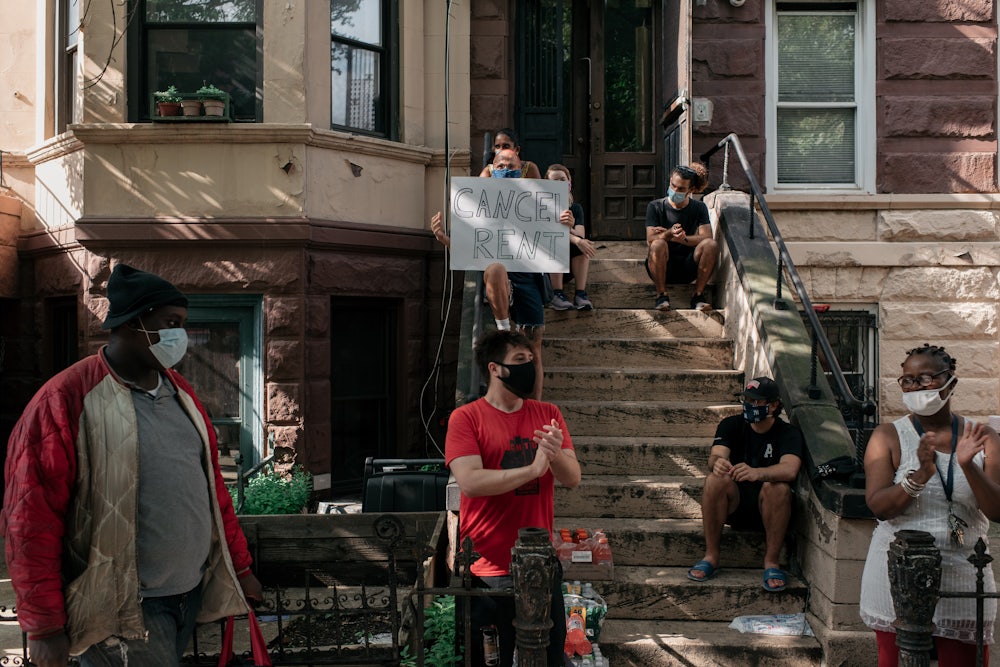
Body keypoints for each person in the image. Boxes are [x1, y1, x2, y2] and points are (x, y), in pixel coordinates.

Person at [2, 264, 264, 667]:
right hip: (120, 609)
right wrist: (43, 627)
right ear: (131, 323)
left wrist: (240, 568)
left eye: (183, 324)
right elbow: (30, 519)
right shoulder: (65, 398)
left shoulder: (182, 393)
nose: (180, 336)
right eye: (171, 323)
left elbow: (211, 491)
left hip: (187, 597)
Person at [445, 329, 581, 666]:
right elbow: (471, 482)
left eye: (531, 360)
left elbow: (572, 478)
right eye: (520, 360)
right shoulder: (466, 418)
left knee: (548, 657)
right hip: (487, 567)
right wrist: (532, 470)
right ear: (494, 368)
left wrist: (554, 453)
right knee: (491, 659)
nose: (529, 367)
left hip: (540, 563)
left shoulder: (547, 413)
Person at [860, 344, 999, 666]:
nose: (914, 387)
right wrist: (920, 475)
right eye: (907, 380)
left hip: (965, 569)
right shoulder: (888, 435)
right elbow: (879, 506)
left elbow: (997, 511)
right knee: (896, 660)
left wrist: (968, 465)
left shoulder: (985, 437)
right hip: (899, 572)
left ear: (950, 381)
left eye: (924, 378)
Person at [430, 149, 575, 399]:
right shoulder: (480, 204)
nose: (506, 167)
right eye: (500, 163)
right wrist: (444, 239)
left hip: (528, 277)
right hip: (499, 279)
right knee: (495, 269)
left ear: (521, 169)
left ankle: (535, 407)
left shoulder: (537, 201)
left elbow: (552, 237)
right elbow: (470, 249)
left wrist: (565, 225)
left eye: (511, 163)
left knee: (534, 348)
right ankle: (504, 327)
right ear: (492, 167)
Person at [687, 377, 803, 592]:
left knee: (777, 486)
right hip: (734, 505)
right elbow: (715, 457)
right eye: (747, 399)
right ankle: (711, 556)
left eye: (756, 401)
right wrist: (718, 463)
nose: (750, 405)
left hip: (770, 508)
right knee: (714, 479)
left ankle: (771, 562)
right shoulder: (731, 425)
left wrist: (757, 473)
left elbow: (790, 469)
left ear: (774, 405)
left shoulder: (788, 433)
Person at [645, 164, 719, 312]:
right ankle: (661, 295)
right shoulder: (655, 206)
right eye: (673, 186)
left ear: (691, 190)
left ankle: (698, 296)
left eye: (681, 189)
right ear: (670, 181)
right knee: (658, 244)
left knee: (710, 245)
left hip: (688, 265)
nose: (675, 191)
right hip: (662, 265)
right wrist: (668, 234)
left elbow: (707, 237)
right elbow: (650, 240)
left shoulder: (699, 208)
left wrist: (681, 239)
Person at [545, 164, 596, 311]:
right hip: (547, 267)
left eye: (562, 180)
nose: (559, 184)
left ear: (569, 182)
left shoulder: (575, 208)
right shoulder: (541, 207)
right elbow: (551, 232)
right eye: (554, 181)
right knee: (557, 239)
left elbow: (581, 235)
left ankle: (580, 294)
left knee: (582, 244)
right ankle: (557, 294)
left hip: (569, 265)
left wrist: (571, 229)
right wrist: (574, 237)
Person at [478, 128, 543, 179]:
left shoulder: (529, 168)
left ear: (517, 150)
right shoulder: (489, 171)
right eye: (497, 146)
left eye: (506, 146)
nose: (501, 150)